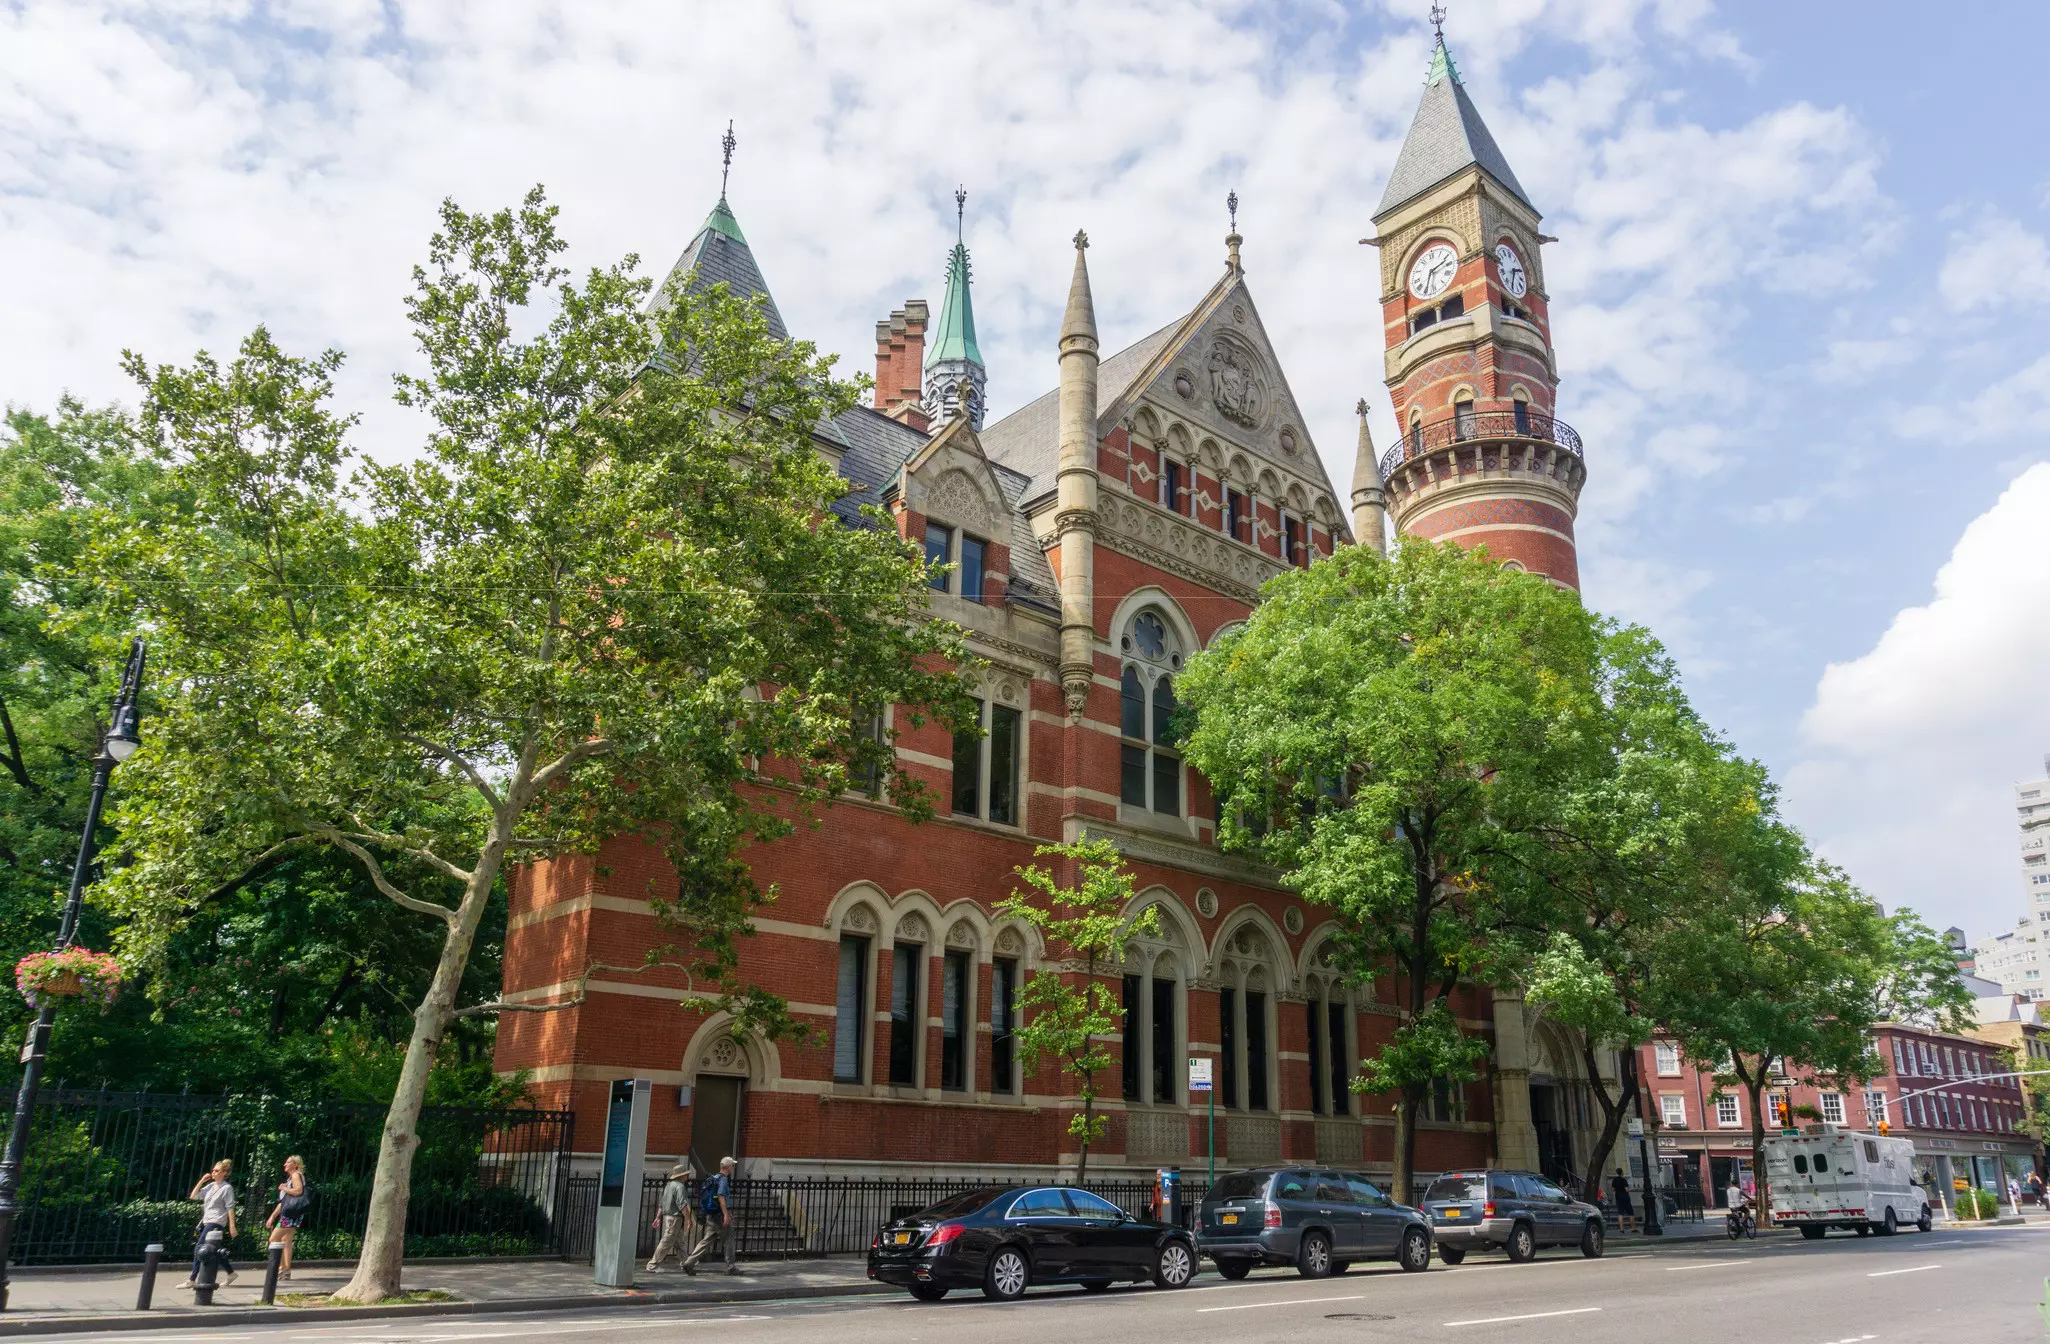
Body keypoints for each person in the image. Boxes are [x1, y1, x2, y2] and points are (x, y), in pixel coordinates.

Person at [180, 1159, 238, 1290]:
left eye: (217, 1171)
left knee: (199, 1248)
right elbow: (194, 1196)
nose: (213, 1172)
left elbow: (230, 1207)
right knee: (215, 1250)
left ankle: (192, 1279)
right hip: (206, 1221)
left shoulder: (227, 1188)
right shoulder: (211, 1186)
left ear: (224, 1173)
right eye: (213, 1170)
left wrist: (232, 1225)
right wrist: (202, 1180)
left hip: (216, 1222)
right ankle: (231, 1273)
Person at [681, 1156, 740, 1276]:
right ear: (729, 1167)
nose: (733, 1168)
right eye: (732, 1166)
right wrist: (725, 1215)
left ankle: (689, 1262)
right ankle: (731, 1267)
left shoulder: (714, 1178)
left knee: (706, 1241)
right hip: (719, 1214)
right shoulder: (723, 1180)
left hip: (711, 1214)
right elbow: (721, 1197)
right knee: (728, 1239)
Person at [647, 1161, 697, 1271]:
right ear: (682, 1175)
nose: (687, 1176)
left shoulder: (669, 1186)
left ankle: (686, 1263)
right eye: (686, 1174)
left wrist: (658, 1217)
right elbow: (682, 1205)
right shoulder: (680, 1187)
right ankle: (652, 1265)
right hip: (675, 1218)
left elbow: (662, 1203)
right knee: (666, 1241)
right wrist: (688, 1220)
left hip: (668, 1216)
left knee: (679, 1242)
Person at [265, 1155, 308, 1279]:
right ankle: (286, 1271)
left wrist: (284, 1188)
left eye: (288, 1162)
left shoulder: (295, 1175)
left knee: (273, 1239)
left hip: (290, 1215)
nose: (285, 1164)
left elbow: (299, 1191)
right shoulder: (291, 1178)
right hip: (291, 1213)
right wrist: (272, 1217)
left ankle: (281, 1268)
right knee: (286, 1241)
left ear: (296, 1165)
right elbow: (284, 1202)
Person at [1609, 1169, 1635, 1234]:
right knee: (1631, 1213)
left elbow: (1612, 1189)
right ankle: (1633, 1228)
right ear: (1622, 1173)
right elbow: (1626, 1190)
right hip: (1625, 1198)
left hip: (1618, 1198)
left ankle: (1621, 1229)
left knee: (1620, 1213)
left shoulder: (1614, 1180)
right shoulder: (1623, 1180)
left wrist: (1617, 1189)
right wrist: (1630, 1189)